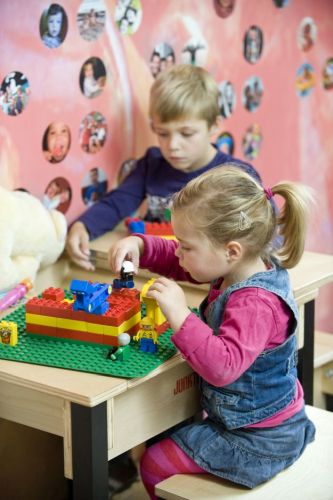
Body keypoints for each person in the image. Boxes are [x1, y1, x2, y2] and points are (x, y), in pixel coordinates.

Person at [109, 165, 316, 498]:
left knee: (153, 464)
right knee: (165, 428)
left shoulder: (256, 303)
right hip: (251, 420)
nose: (179, 252)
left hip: (259, 439)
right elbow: (184, 263)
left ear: (231, 250)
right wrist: (141, 245)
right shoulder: (240, 266)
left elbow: (223, 367)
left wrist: (179, 313)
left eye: (186, 245)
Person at [66, 64, 262, 271]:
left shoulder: (237, 177)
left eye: (186, 134)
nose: (173, 146)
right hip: (156, 271)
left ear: (214, 126)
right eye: (163, 133)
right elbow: (117, 203)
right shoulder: (152, 164)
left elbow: (260, 236)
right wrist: (83, 226)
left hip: (206, 280)